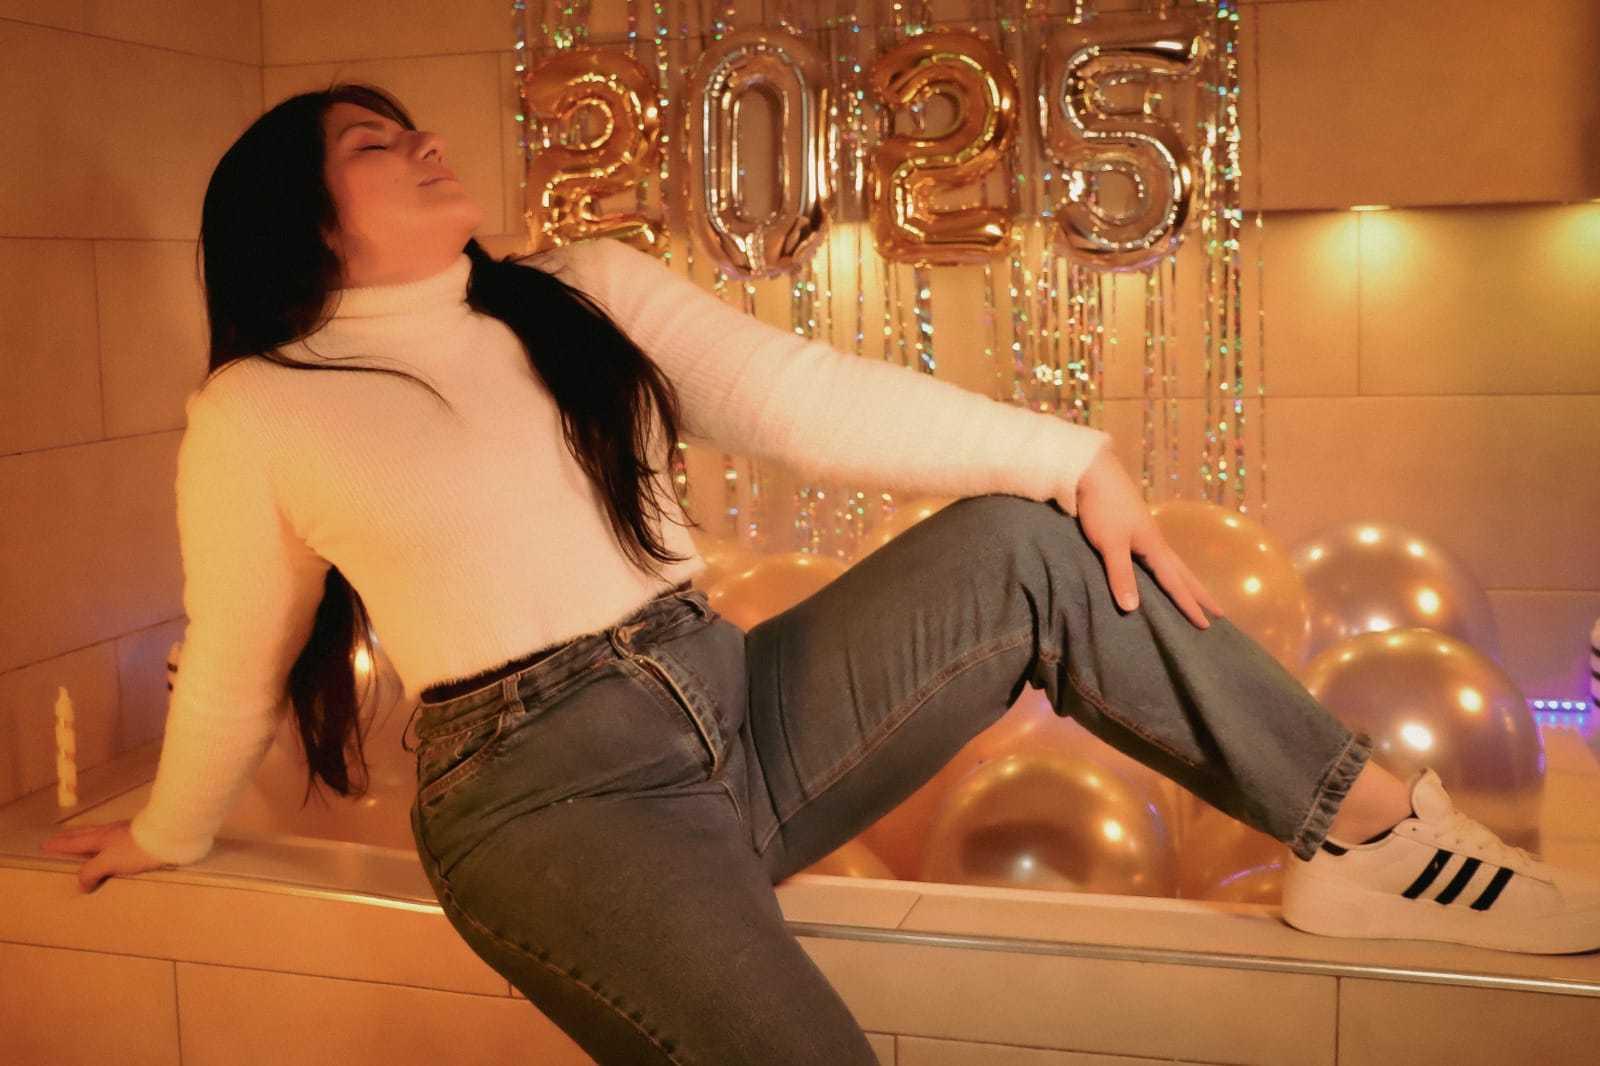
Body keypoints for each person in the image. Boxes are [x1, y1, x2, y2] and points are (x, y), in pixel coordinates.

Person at [41, 82, 1599, 1063]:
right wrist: (167, 827)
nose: (424, 141)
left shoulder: (577, 291)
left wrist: (1073, 454)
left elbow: (801, 397)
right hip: (544, 800)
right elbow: (243, 650)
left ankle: (1368, 831)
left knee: (1028, 544)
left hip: (737, 705)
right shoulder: (260, 409)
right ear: (303, 224)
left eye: (407, 125)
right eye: (377, 146)